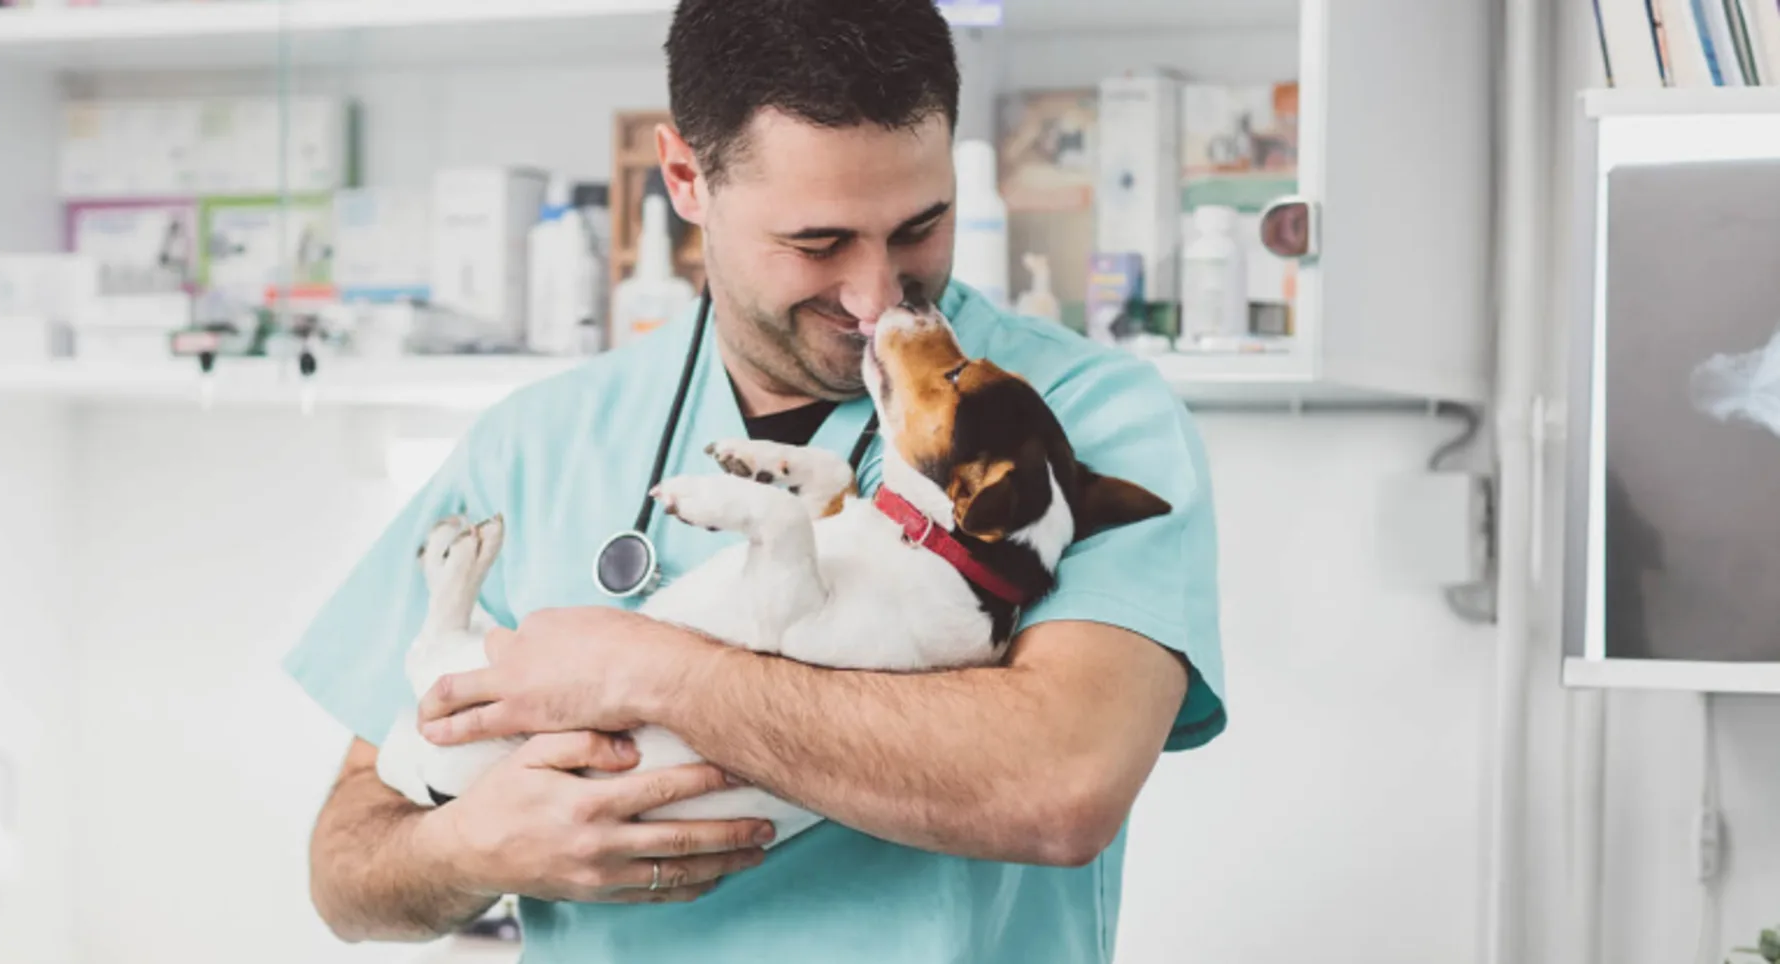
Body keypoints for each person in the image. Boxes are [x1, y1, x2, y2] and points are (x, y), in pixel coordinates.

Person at [284, 1, 1226, 960]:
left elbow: (1060, 786)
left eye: (920, 227)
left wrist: (655, 673)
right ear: (688, 178)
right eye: (818, 244)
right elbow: (349, 869)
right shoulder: (538, 441)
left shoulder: (1083, 420)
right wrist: (467, 850)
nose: (877, 298)